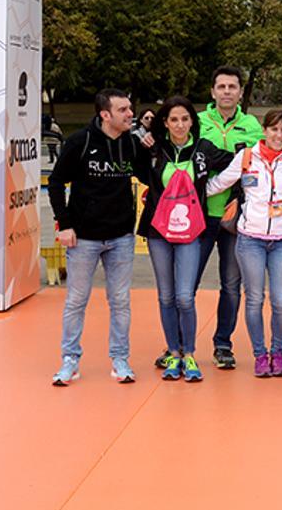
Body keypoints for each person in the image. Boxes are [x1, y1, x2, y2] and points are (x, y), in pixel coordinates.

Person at [46, 89, 151, 386]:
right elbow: (55, 182)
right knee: (76, 300)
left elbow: (147, 178)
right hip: (84, 238)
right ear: (105, 115)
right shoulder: (81, 141)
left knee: (120, 301)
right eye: (123, 110)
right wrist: (63, 223)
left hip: (120, 237)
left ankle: (120, 359)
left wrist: (150, 149)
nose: (130, 114)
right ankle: (69, 360)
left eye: (130, 108)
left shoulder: (132, 144)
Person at [139, 96, 234, 382]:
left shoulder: (203, 150)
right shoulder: (154, 149)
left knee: (183, 296)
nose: (179, 125)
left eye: (184, 119)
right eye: (173, 119)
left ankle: (190, 354)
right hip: (158, 231)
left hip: (192, 230)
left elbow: (236, 163)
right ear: (165, 123)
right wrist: (143, 146)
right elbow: (136, 170)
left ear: (193, 121)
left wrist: (216, 190)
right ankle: (174, 353)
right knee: (166, 296)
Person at [207, 110, 282, 378]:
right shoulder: (246, 157)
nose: (278, 135)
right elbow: (221, 182)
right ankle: (260, 355)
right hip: (250, 240)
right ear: (264, 131)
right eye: (274, 129)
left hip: (281, 242)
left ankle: (278, 353)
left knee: (281, 302)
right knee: (254, 299)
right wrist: (187, 191)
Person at [192, 66, 264, 371]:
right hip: (198, 215)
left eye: (232, 87)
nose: (226, 92)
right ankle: (180, 347)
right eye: (221, 86)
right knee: (187, 285)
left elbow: (268, 155)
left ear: (239, 92)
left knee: (232, 285)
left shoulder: (251, 125)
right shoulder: (196, 121)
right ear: (212, 92)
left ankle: (223, 344)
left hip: (236, 218)